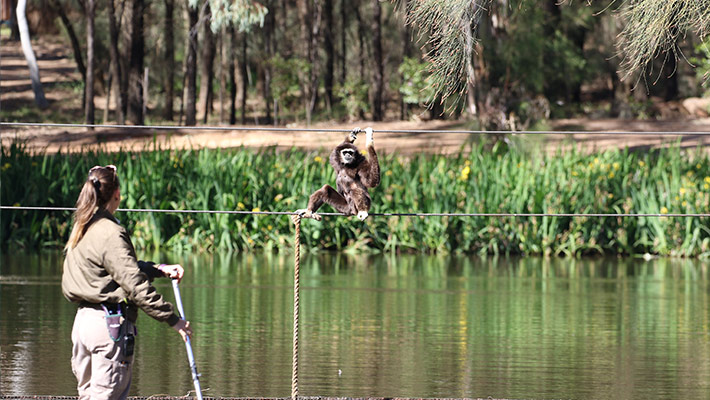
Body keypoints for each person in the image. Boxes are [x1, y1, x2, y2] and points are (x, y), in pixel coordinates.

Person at [62, 164, 192, 399]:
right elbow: (135, 285)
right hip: (107, 328)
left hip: (83, 325)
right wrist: (173, 320)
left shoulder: (82, 226)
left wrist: (159, 269)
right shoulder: (110, 232)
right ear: (117, 194)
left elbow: (117, 270)